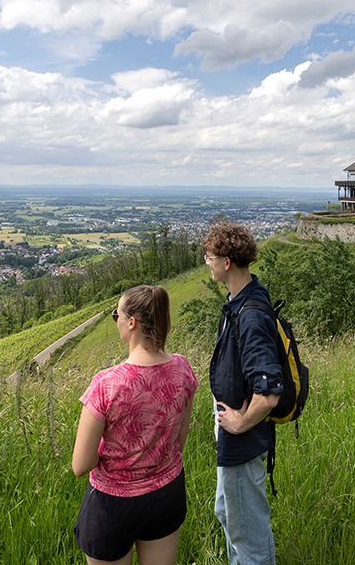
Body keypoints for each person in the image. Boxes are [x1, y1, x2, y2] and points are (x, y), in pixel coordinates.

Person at [72, 285, 198, 565]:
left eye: (116, 314)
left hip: (113, 503)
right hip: (167, 492)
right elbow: (181, 436)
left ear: (132, 322)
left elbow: (80, 465)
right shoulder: (182, 369)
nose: (115, 320)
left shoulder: (106, 384)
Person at [202, 222, 284, 565]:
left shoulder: (249, 315)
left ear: (226, 262)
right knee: (228, 513)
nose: (206, 261)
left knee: (247, 533)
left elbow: (268, 393)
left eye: (209, 256)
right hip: (236, 439)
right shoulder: (245, 297)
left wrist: (238, 424)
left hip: (242, 441)